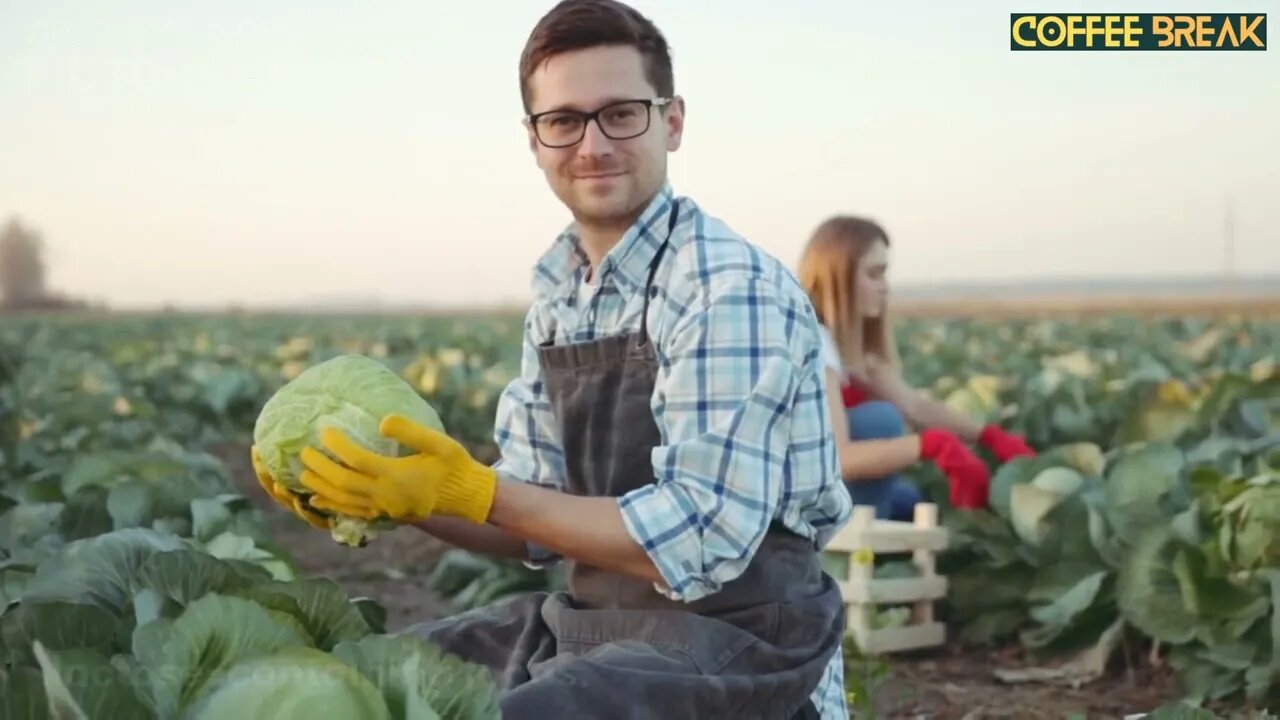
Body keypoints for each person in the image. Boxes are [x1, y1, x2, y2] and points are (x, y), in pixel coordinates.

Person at [251, 1, 854, 717]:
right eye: (564, 120)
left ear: (673, 121)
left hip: (743, 645)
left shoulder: (727, 287)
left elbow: (700, 535)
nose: (592, 144)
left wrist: (475, 489)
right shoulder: (560, 297)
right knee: (368, 682)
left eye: (621, 113)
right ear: (535, 141)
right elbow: (530, 510)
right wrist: (400, 496)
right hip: (602, 631)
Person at [796, 214, 1036, 521]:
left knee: (909, 499)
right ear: (837, 276)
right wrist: (931, 446)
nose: (885, 288)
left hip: (826, 494)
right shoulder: (814, 343)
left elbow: (916, 406)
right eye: (874, 274)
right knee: (880, 421)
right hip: (801, 508)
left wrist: (987, 436)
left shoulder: (849, 350)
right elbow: (838, 458)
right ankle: (845, 552)